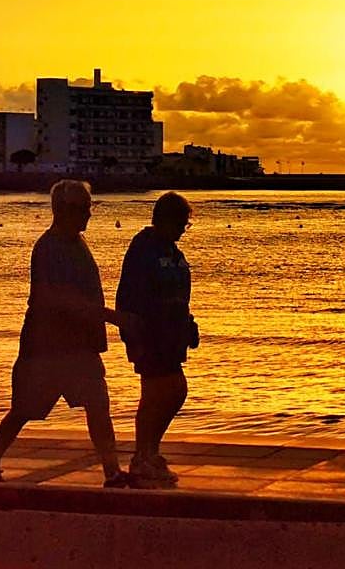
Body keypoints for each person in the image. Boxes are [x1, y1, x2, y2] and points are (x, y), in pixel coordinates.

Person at [0, 180, 133, 488]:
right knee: (23, 410)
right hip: (48, 349)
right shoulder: (49, 248)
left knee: (98, 404)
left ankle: (111, 470)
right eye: (85, 209)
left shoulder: (75, 243)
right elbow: (59, 299)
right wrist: (112, 317)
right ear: (66, 210)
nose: (89, 216)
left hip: (79, 346)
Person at [116, 191, 196, 488]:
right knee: (160, 394)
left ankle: (149, 451)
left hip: (171, 336)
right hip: (149, 335)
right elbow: (129, 297)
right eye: (181, 224)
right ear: (165, 220)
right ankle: (143, 455)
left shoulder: (173, 253)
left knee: (171, 393)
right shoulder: (144, 250)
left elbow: (179, 296)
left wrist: (189, 325)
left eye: (186, 225)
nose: (182, 230)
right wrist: (133, 337)